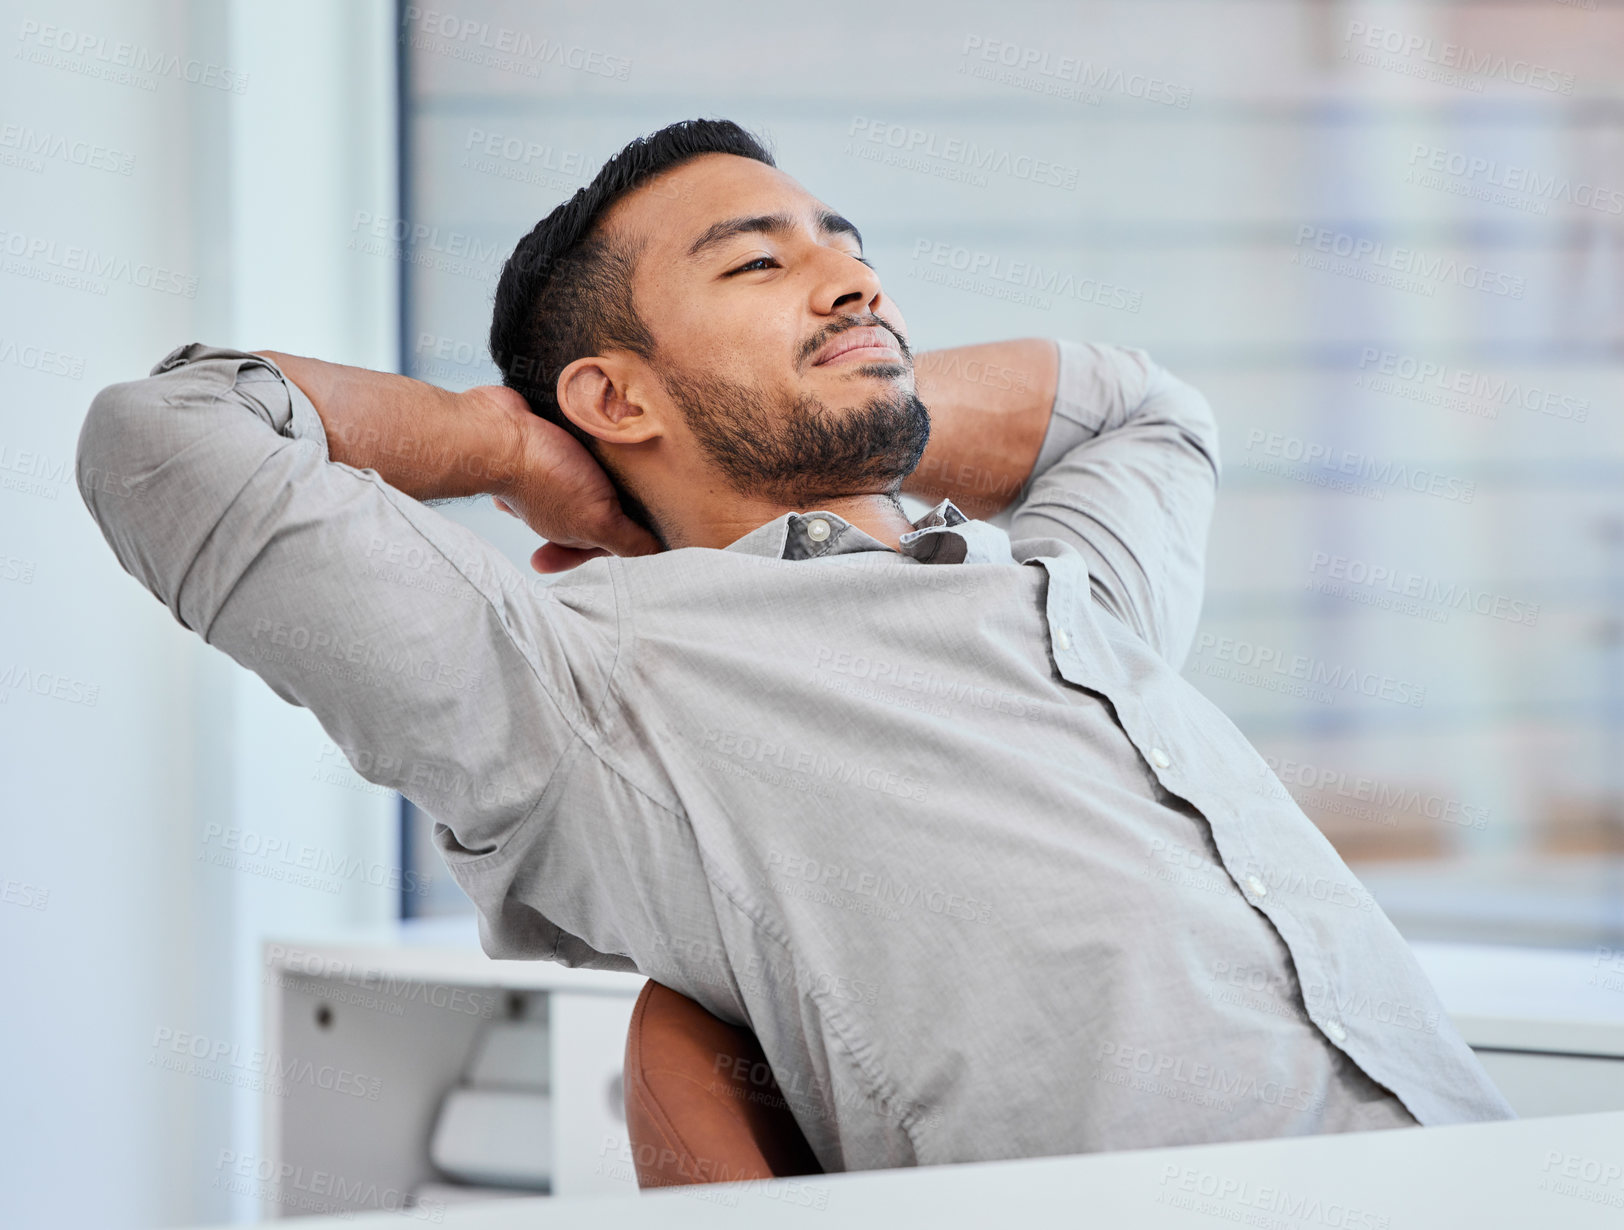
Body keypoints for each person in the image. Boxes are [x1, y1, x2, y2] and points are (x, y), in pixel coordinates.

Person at [75, 117, 1513, 1173]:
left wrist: (848, 403)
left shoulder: (1061, 590)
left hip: (1501, 1173)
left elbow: (1142, 414)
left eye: (854, 256)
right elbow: (161, 445)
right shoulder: (592, 687)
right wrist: (503, 444)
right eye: (762, 265)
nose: (852, 286)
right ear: (613, 393)